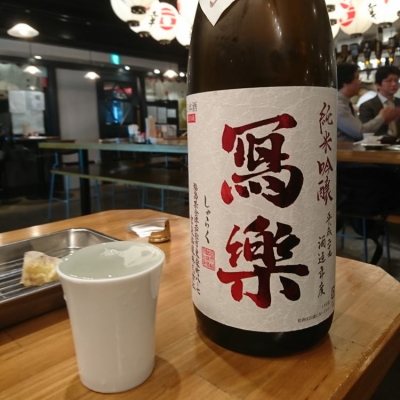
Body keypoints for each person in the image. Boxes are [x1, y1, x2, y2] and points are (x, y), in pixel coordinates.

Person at [337, 63, 399, 142]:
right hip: (344, 149)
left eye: (396, 80)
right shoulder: (338, 105)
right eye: (357, 78)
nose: (360, 82)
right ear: (345, 82)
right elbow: (360, 132)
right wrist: (382, 117)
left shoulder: (346, 102)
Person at [359, 66, 400, 137]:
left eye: (396, 80)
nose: (394, 84)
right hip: (377, 142)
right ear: (378, 85)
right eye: (389, 81)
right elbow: (365, 132)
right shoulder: (367, 106)